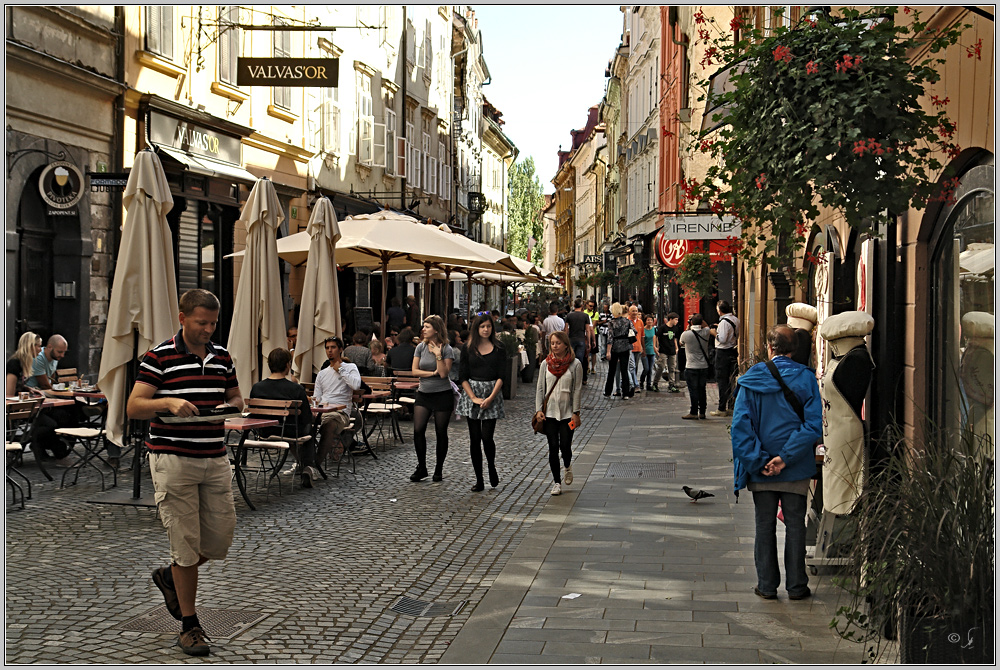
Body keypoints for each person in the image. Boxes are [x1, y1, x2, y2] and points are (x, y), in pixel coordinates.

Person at [126, 288, 244, 657]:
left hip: (214, 456)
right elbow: (134, 406)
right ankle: (190, 626)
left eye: (212, 323)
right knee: (186, 544)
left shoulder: (222, 356)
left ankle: (169, 577)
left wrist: (230, 405)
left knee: (220, 539)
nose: (208, 329)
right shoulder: (158, 356)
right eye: (201, 322)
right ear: (183, 318)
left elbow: (238, 399)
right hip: (172, 459)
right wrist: (168, 402)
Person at [731, 325, 822, 601]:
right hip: (795, 467)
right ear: (794, 350)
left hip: (761, 470)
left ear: (770, 348)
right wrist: (785, 458)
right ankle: (797, 587)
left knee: (764, 525)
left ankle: (767, 585)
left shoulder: (751, 380)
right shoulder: (806, 379)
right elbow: (814, 425)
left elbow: (740, 428)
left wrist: (760, 462)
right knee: (796, 525)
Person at [250, 348, 317, 488]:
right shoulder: (296, 389)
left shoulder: (257, 388)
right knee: (311, 428)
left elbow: (254, 416)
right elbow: (305, 417)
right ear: (288, 365)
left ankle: (303, 464)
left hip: (265, 432)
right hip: (291, 432)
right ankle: (308, 467)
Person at [456, 315, 506, 492]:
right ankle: (479, 479)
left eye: (489, 326)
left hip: (492, 392)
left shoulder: (499, 348)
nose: (486, 329)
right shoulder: (468, 349)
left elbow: (502, 375)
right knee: (474, 438)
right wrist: (473, 398)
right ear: (476, 329)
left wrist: (491, 397)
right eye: (482, 326)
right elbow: (462, 376)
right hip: (473, 392)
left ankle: (491, 466)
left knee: (487, 437)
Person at [535, 331, 583, 496]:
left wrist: (576, 412)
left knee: (565, 446)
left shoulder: (575, 364)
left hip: (567, 413)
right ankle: (556, 482)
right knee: (553, 447)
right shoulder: (545, 364)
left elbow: (577, 390)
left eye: (558, 343)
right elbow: (540, 389)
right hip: (549, 413)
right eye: (552, 343)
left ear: (565, 344)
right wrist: (538, 410)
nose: (554, 346)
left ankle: (567, 465)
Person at [410, 315, 455, 482]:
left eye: (427, 327)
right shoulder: (420, 347)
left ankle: (438, 469)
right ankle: (421, 466)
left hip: (442, 394)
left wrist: (437, 355)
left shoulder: (446, 349)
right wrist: (431, 374)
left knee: (440, 432)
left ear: (436, 330)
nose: (423, 329)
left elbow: (444, 374)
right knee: (418, 430)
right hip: (424, 393)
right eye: (423, 326)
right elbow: (414, 370)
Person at [314, 336, 362, 466]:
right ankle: (304, 461)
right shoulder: (322, 373)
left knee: (328, 424)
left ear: (340, 349)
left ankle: (316, 464)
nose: (330, 350)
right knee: (301, 425)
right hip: (322, 412)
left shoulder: (350, 367)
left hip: (340, 414)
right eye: (327, 348)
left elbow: (356, 385)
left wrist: (340, 370)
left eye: (333, 347)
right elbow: (317, 398)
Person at [710, 301, 740, 417]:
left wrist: (714, 333)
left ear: (719, 310)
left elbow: (722, 339)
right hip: (732, 350)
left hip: (722, 352)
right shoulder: (735, 319)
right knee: (731, 379)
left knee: (722, 380)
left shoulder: (723, 322)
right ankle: (731, 406)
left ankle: (721, 408)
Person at [680, 314, 712, 420]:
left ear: (691, 322)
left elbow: (681, 343)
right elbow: (707, 326)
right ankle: (702, 412)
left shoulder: (686, 334)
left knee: (693, 390)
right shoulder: (706, 332)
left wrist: (689, 327)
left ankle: (693, 412)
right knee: (702, 389)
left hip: (691, 366)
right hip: (704, 366)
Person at [604, 302, 634, 399]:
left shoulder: (611, 322)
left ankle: (608, 391)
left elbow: (610, 338)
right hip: (625, 346)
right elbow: (634, 331)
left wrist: (608, 351)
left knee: (611, 370)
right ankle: (626, 393)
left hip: (615, 347)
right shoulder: (627, 321)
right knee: (624, 370)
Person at [6, 331, 43, 397]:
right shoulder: (14, 364)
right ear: (31, 346)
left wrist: (27, 388)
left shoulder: (24, 363)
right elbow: (9, 395)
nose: (41, 350)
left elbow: (17, 384)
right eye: (39, 346)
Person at [565, 299, 591, 386]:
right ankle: (580, 378)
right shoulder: (585, 316)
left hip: (571, 339)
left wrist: (565, 340)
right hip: (581, 339)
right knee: (580, 360)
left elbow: (566, 329)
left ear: (574, 305)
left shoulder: (569, 315)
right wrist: (589, 342)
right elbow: (587, 330)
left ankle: (571, 377)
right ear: (582, 306)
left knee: (571, 359)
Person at [653, 313, 681, 393]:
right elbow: (656, 336)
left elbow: (675, 338)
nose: (677, 321)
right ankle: (655, 383)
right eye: (675, 319)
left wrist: (676, 347)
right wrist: (655, 346)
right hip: (663, 350)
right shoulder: (663, 328)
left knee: (672, 368)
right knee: (661, 367)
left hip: (672, 350)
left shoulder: (675, 328)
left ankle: (671, 384)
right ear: (670, 319)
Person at [628, 305, 644, 391]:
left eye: (636, 311)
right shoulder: (627, 321)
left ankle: (633, 382)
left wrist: (642, 347)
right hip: (630, 348)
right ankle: (635, 385)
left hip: (638, 347)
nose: (635, 313)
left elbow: (642, 336)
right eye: (633, 311)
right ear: (629, 312)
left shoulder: (640, 322)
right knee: (632, 367)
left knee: (635, 367)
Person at [639, 314, 657, 391]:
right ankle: (641, 381)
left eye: (651, 320)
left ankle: (648, 384)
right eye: (648, 320)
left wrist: (657, 348)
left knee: (650, 369)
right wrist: (642, 349)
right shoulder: (643, 329)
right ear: (645, 321)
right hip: (644, 351)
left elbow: (656, 340)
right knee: (646, 368)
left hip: (652, 351)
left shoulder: (655, 329)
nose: (649, 321)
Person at [584, 300, 600, 374]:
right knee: (586, 351)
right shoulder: (584, 312)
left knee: (594, 352)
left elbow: (593, 325)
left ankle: (593, 367)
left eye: (593, 306)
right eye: (590, 306)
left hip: (594, 333)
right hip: (586, 334)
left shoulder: (596, 313)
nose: (591, 307)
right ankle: (587, 367)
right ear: (586, 305)